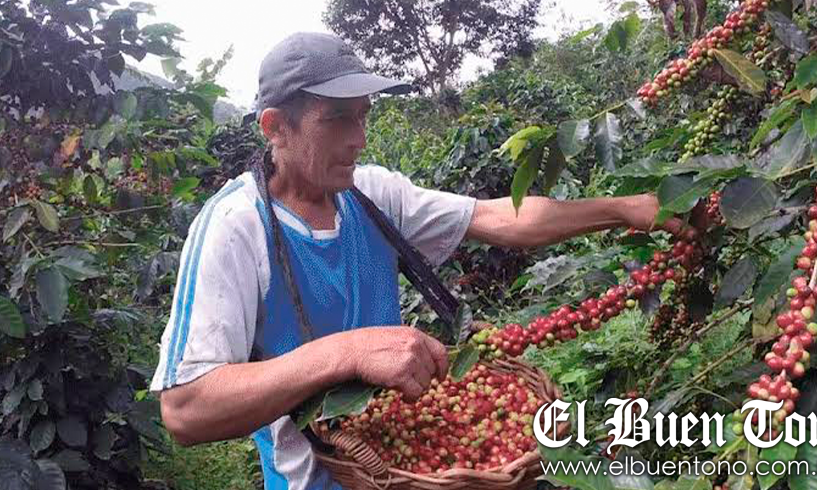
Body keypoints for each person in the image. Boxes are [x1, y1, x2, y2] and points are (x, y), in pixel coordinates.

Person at [149, 32, 683, 490]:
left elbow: (499, 218)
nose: (359, 140)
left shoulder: (371, 194)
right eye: (337, 120)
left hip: (406, 465)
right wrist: (348, 352)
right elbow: (186, 410)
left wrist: (625, 209)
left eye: (363, 117)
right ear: (275, 127)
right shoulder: (235, 227)